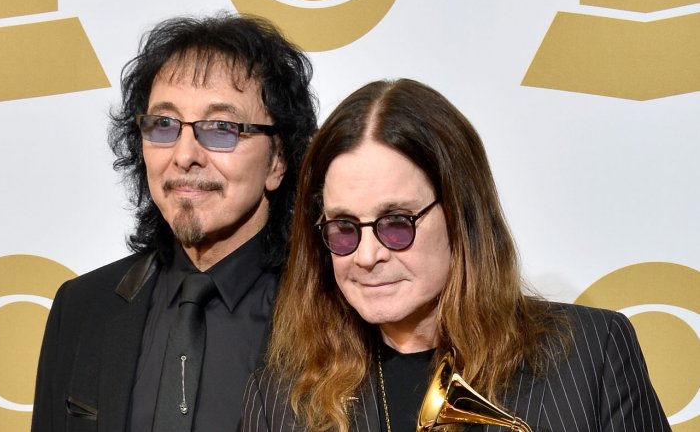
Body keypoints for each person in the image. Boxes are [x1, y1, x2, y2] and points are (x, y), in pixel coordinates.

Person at [241, 79, 670, 431]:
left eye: (396, 223)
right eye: (344, 228)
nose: (367, 255)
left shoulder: (591, 353)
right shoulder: (279, 399)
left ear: (461, 215)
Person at [32, 13, 316, 431]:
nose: (185, 156)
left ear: (277, 161)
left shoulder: (332, 314)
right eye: (164, 125)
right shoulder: (82, 308)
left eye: (221, 128)